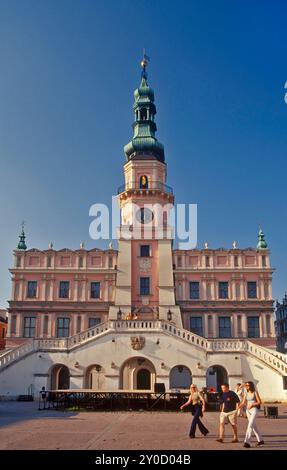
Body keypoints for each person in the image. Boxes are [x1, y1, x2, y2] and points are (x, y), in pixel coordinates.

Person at [239, 381, 264, 448]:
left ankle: (247, 442)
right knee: (253, 426)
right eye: (246, 385)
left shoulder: (255, 392)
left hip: (254, 410)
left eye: (248, 385)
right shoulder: (246, 393)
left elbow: (259, 402)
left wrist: (253, 404)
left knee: (250, 425)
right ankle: (260, 440)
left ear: (251, 386)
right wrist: (238, 407)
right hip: (248, 411)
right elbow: (243, 402)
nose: (247, 386)